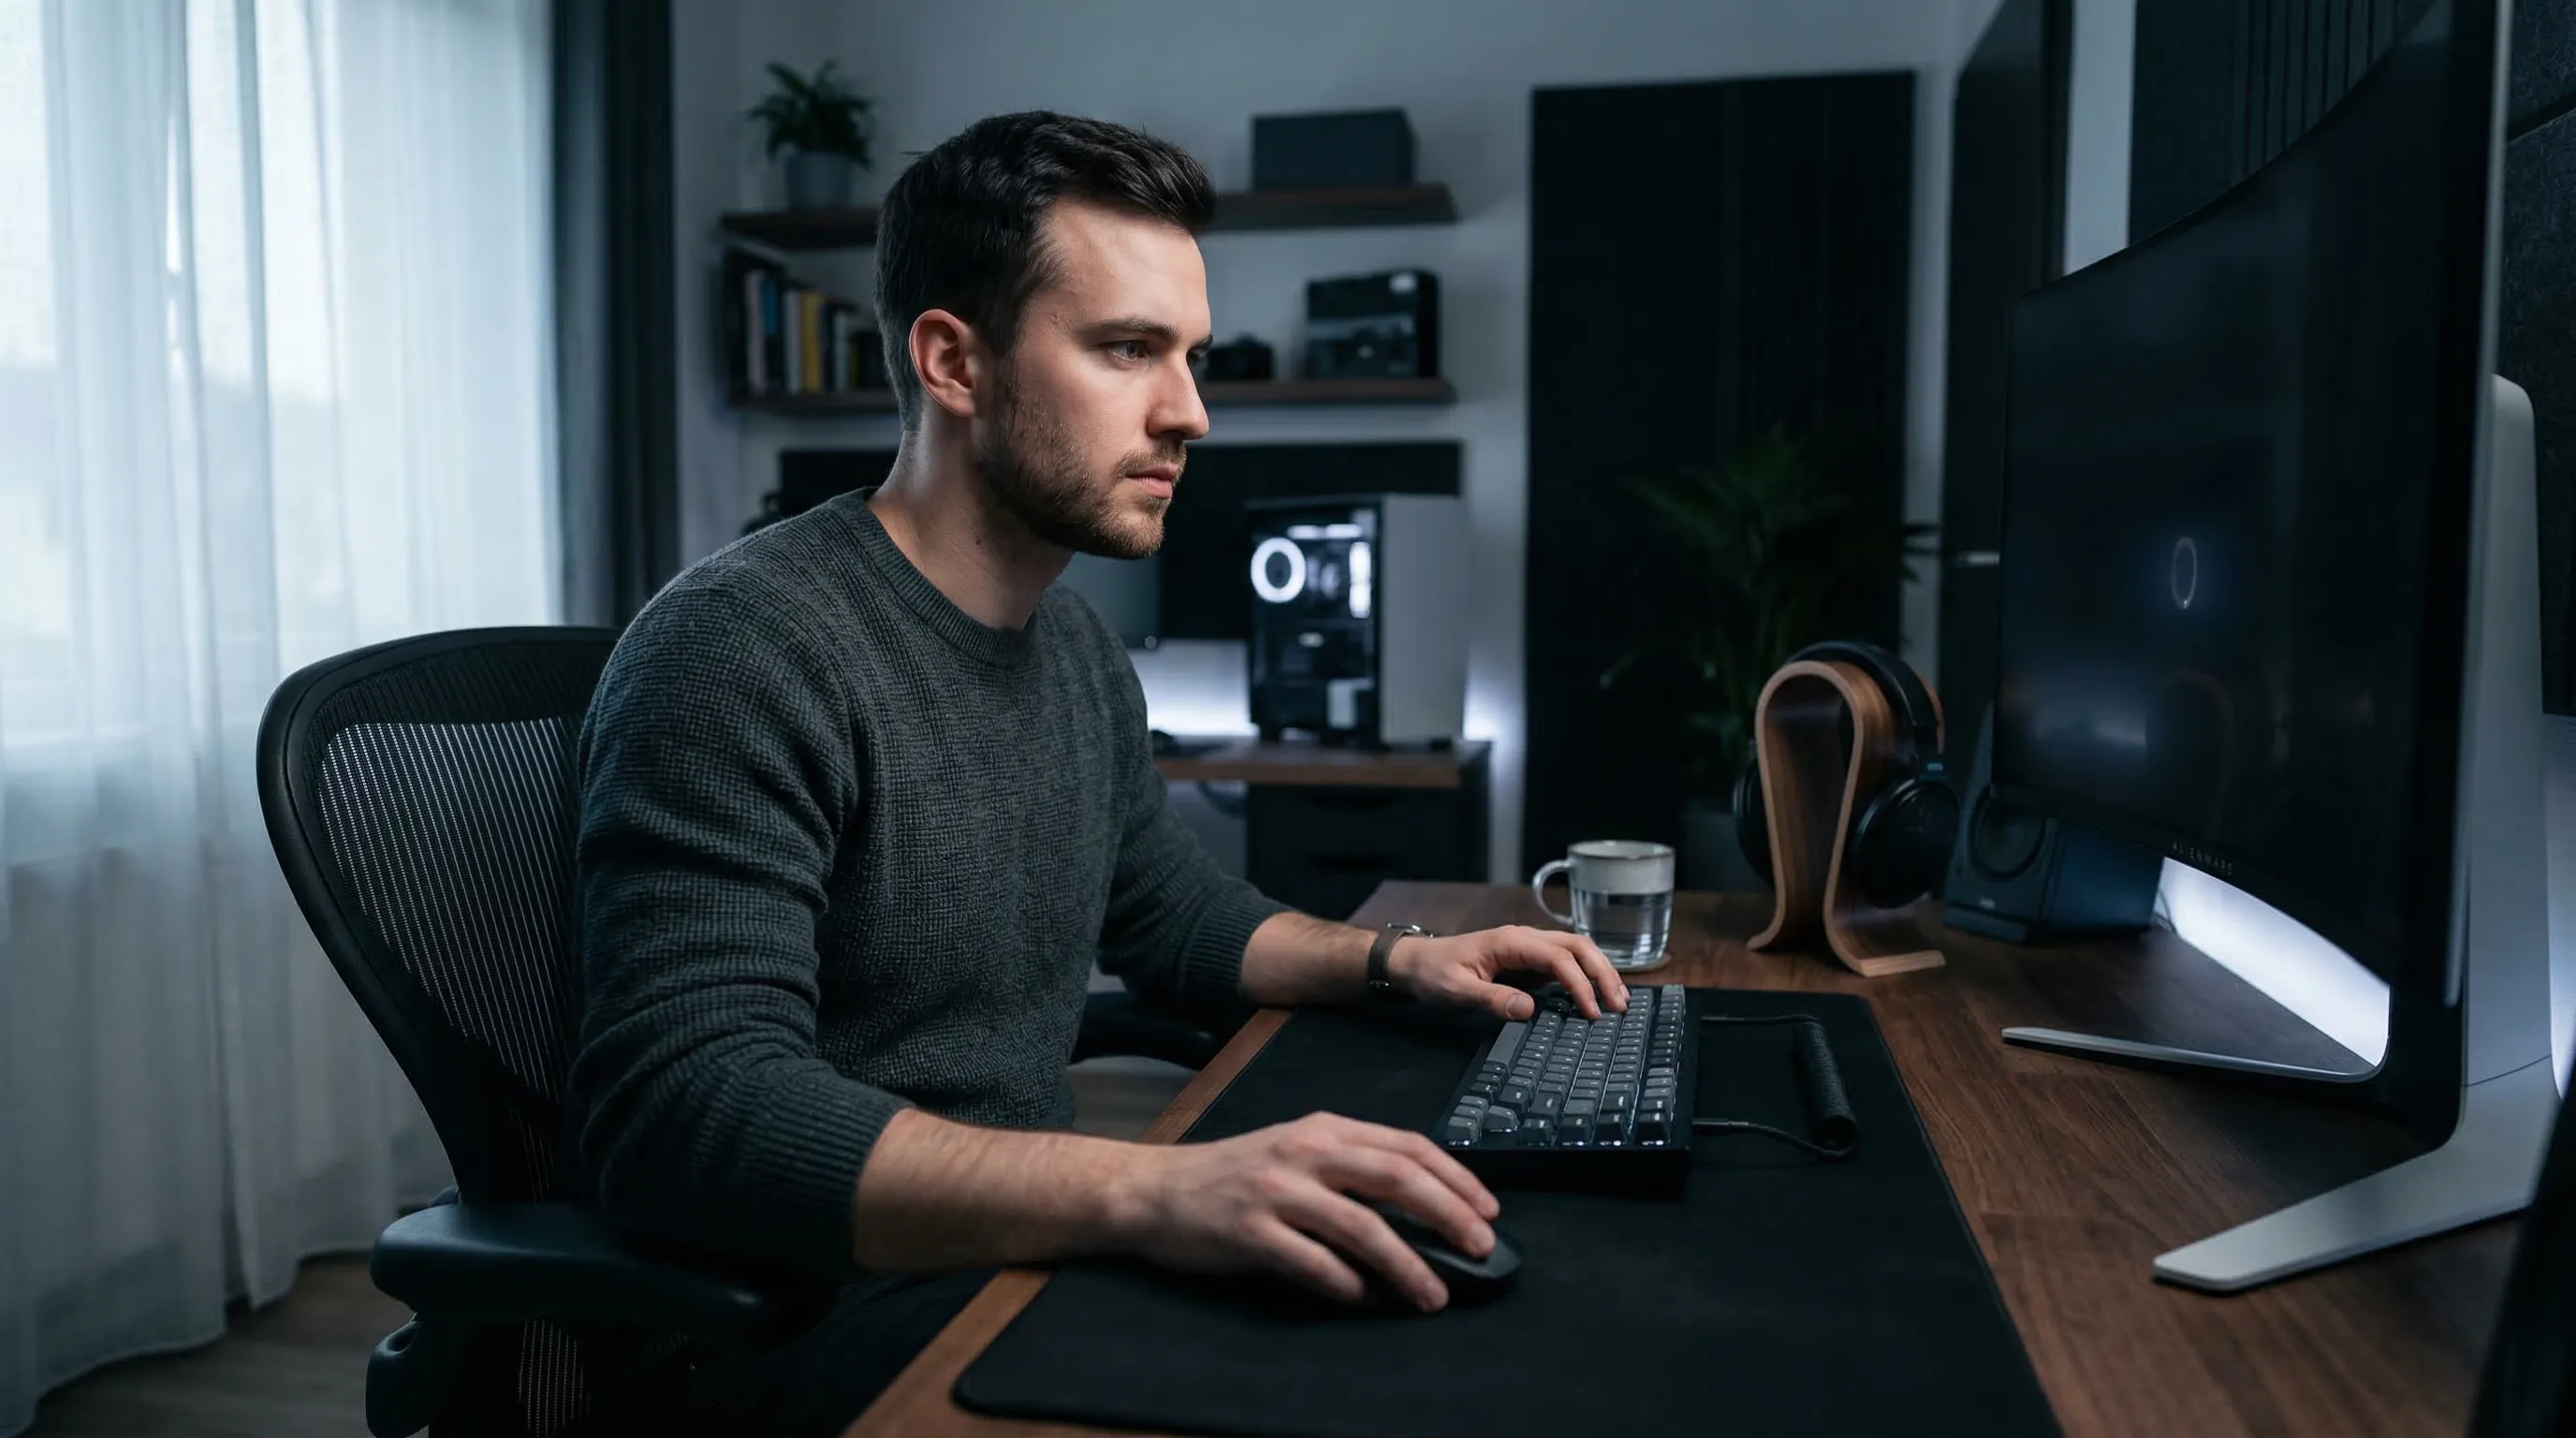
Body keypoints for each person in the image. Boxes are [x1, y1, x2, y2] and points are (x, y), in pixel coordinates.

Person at [568, 110, 1626, 1437]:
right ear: (954, 361)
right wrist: (1150, 1191)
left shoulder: (1068, 644)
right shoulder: (744, 648)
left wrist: (1399, 963)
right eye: (1128, 350)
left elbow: (1170, 912)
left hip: (1001, 1258)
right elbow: (688, 1110)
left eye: (1187, 355)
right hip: (800, 1326)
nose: (1189, 412)